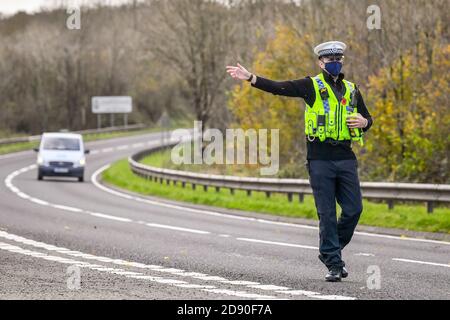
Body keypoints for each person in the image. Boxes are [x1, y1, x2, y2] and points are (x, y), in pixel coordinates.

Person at [226, 41, 373, 282]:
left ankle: (329, 251)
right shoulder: (310, 86)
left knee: (354, 210)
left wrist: (365, 123)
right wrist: (251, 77)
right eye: (329, 60)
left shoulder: (351, 89)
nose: (334, 63)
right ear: (321, 62)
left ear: (342, 61)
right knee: (326, 214)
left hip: (346, 157)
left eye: (338, 58)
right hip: (319, 159)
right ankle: (334, 263)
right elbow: (279, 87)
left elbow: (367, 118)